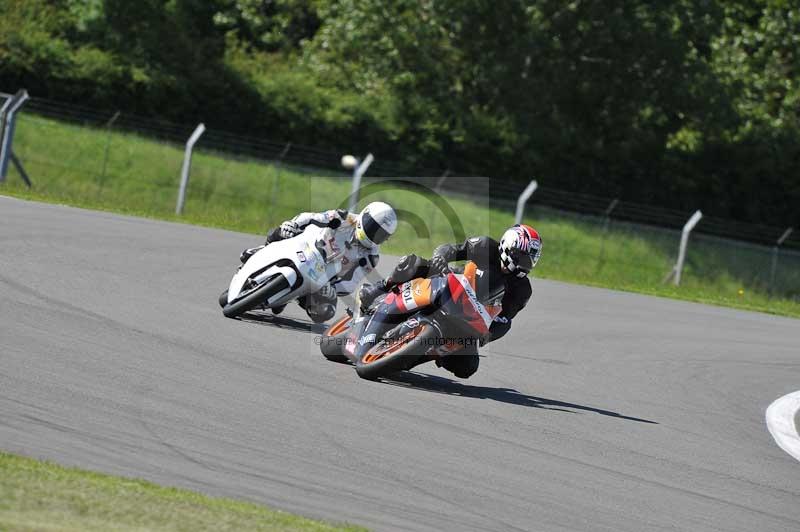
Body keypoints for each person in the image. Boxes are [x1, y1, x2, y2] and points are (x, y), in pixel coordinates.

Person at [358, 224, 542, 378]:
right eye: (522, 257)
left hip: (470, 318)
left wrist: (488, 334)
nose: (525, 264)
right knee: (413, 263)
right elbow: (451, 249)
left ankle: (417, 355)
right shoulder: (486, 246)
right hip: (449, 284)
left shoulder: (522, 290)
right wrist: (440, 259)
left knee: (467, 367)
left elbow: (505, 319)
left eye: (531, 260)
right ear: (508, 246)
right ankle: (378, 289)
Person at [241, 201, 398, 323]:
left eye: (381, 234)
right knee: (281, 231)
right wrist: (293, 224)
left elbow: (351, 282)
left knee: (326, 311)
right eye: (372, 227)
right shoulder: (344, 218)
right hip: (305, 249)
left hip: (320, 281)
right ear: (364, 215)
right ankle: (262, 251)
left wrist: (332, 289)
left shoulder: (371, 257)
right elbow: (312, 218)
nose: (374, 234)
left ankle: (289, 296)